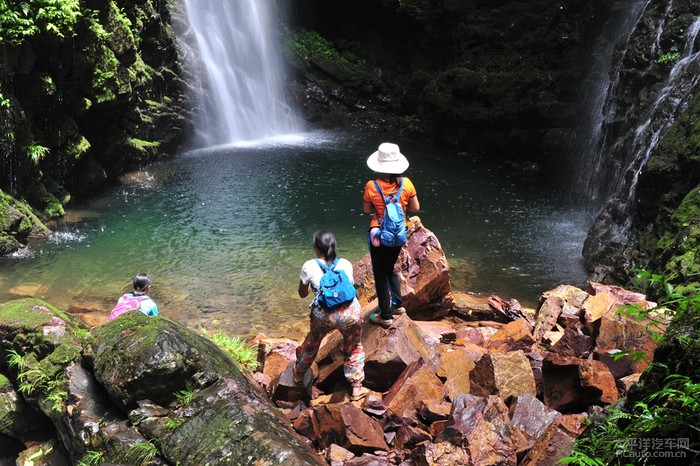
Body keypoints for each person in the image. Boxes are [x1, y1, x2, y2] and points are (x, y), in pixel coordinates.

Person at [294, 230, 368, 401]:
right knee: (354, 345)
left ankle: (298, 374)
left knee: (312, 342)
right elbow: (349, 287)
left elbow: (302, 294)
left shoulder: (308, 266)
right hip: (350, 313)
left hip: (324, 316)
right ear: (334, 247)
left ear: (316, 248)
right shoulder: (346, 263)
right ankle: (356, 387)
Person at [363, 142, 420, 328]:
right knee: (391, 268)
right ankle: (398, 305)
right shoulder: (407, 183)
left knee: (380, 274)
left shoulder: (372, 185)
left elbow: (365, 209)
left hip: (379, 234)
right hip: (398, 234)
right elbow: (415, 208)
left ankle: (385, 316)